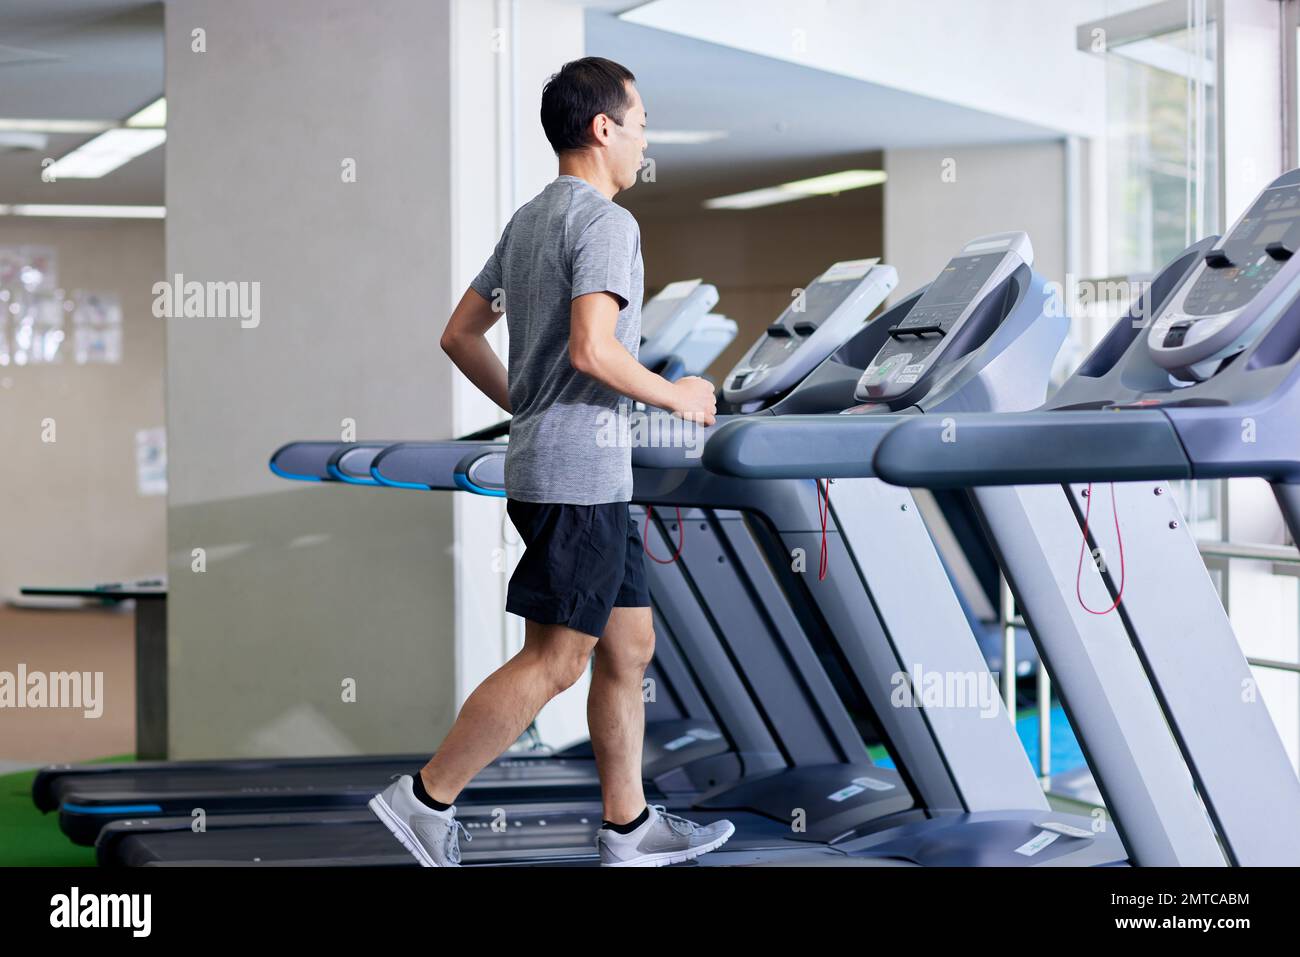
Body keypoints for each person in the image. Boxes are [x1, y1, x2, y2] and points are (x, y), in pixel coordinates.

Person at [370, 57, 731, 867]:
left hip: (573, 468)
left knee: (628, 643)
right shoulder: (607, 224)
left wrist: (525, 402)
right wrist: (681, 395)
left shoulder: (533, 219)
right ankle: (425, 798)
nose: (645, 138)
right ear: (604, 127)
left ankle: (628, 825)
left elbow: (458, 333)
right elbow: (594, 349)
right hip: (579, 477)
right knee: (555, 660)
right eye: (640, 121)